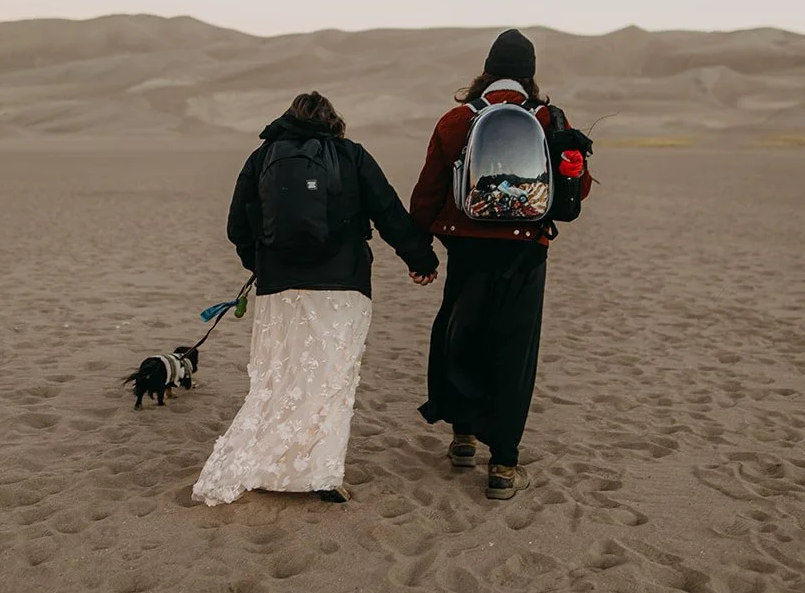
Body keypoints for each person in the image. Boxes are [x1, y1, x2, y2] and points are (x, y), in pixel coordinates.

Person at [193, 91, 439, 506]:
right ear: (333, 121)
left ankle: (260, 464)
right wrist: (421, 259)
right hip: (343, 286)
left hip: (279, 287)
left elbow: (238, 226)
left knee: (280, 375)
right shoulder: (351, 155)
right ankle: (322, 475)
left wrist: (261, 263)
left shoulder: (261, 159)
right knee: (331, 379)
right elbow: (389, 212)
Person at [409, 29, 593, 500]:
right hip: (526, 252)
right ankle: (504, 465)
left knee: (462, 338)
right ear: (530, 74)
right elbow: (579, 191)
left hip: (466, 251)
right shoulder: (549, 120)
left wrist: (419, 250)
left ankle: (464, 438)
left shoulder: (455, 121)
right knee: (514, 351)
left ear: (486, 71)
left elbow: (429, 190)